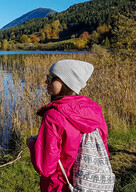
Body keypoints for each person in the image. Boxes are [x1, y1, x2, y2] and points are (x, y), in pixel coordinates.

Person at [26, 59, 109, 192]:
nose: (46, 81)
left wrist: (32, 144)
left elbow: (45, 167)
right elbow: (102, 147)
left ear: (66, 82)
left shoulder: (53, 115)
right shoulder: (94, 110)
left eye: (51, 78)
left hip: (59, 185)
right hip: (88, 184)